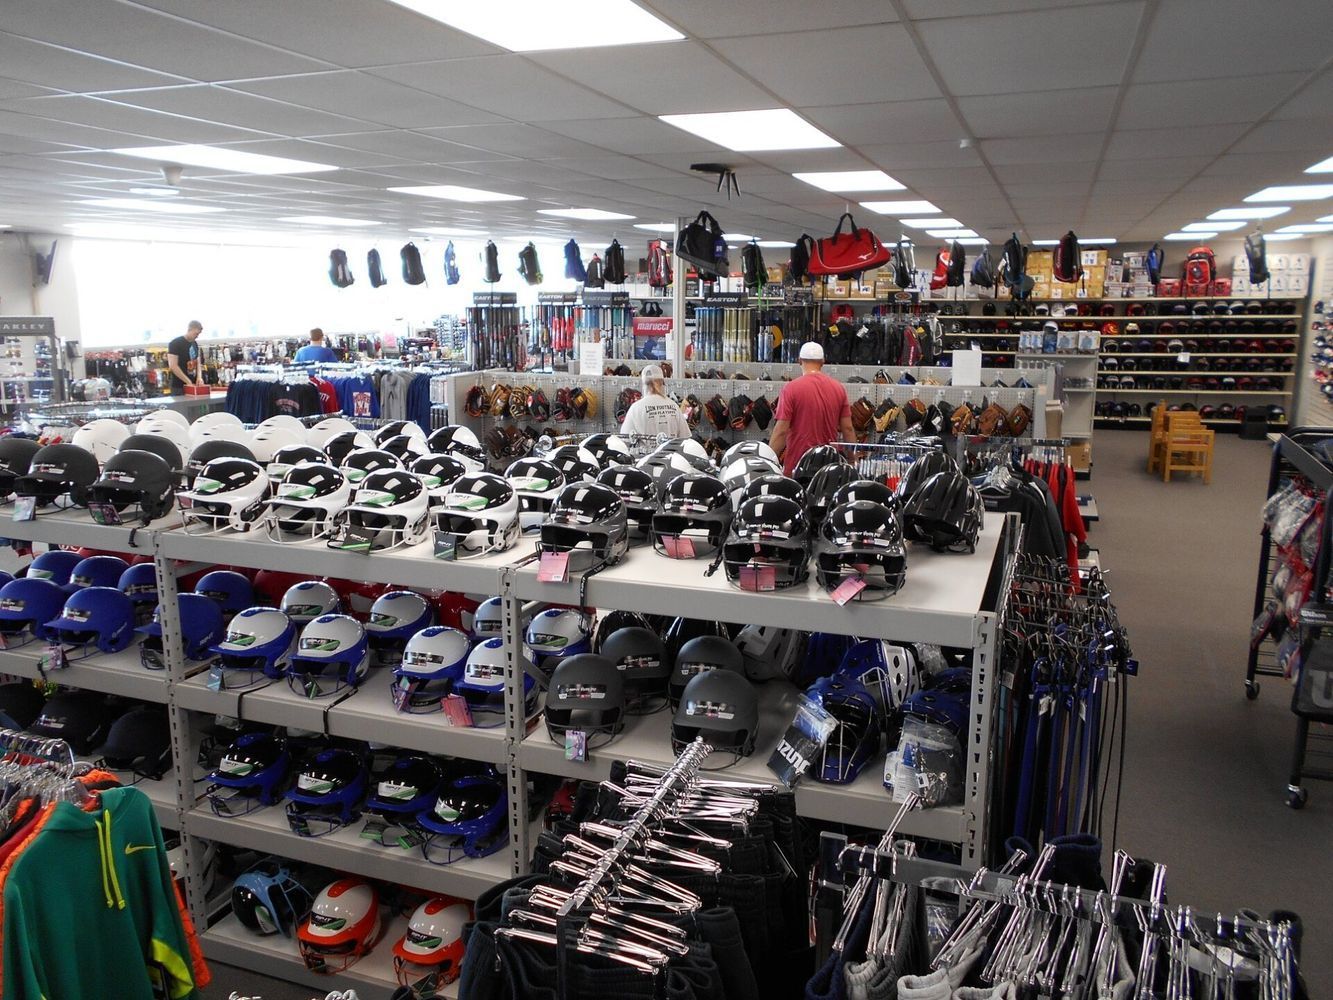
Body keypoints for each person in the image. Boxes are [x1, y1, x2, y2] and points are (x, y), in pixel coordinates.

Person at [768, 342, 856, 476]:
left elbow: (781, 431)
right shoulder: (838, 388)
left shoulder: (790, 389)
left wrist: (768, 459)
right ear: (822, 362)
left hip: (797, 465)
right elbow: (848, 429)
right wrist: (851, 459)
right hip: (829, 466)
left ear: (799, 361)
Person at [619, 364, 690, 439]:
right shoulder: (674, 406)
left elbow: (625, 439)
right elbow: (685, 437)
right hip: (671, 450)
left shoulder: (635, 408)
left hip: (645, 450)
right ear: (662, 382)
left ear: (643, 384)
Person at [166, 320, 203, 394]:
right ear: (189, 330)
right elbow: (173, 366)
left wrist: (199, 377)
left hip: (193, 384)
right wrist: (187, 381)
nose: (197, 336)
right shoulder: (175, 343)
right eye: (195, 334)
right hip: (179, 386)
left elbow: (198, 361)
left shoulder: (194, 343)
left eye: (198, 334)